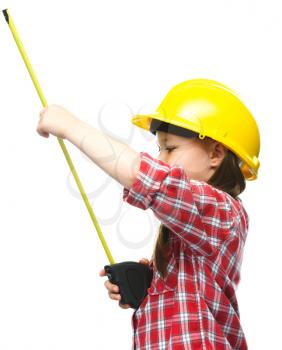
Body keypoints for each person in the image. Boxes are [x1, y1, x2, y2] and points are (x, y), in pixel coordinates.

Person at [36, 78, 260, 349]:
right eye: (159, 149)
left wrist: (70, 126)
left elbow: (142, 175)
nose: (161, 159)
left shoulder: (222, 211)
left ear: (215, 153)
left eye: (170, 148)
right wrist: (150, 286)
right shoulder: (190, 228)